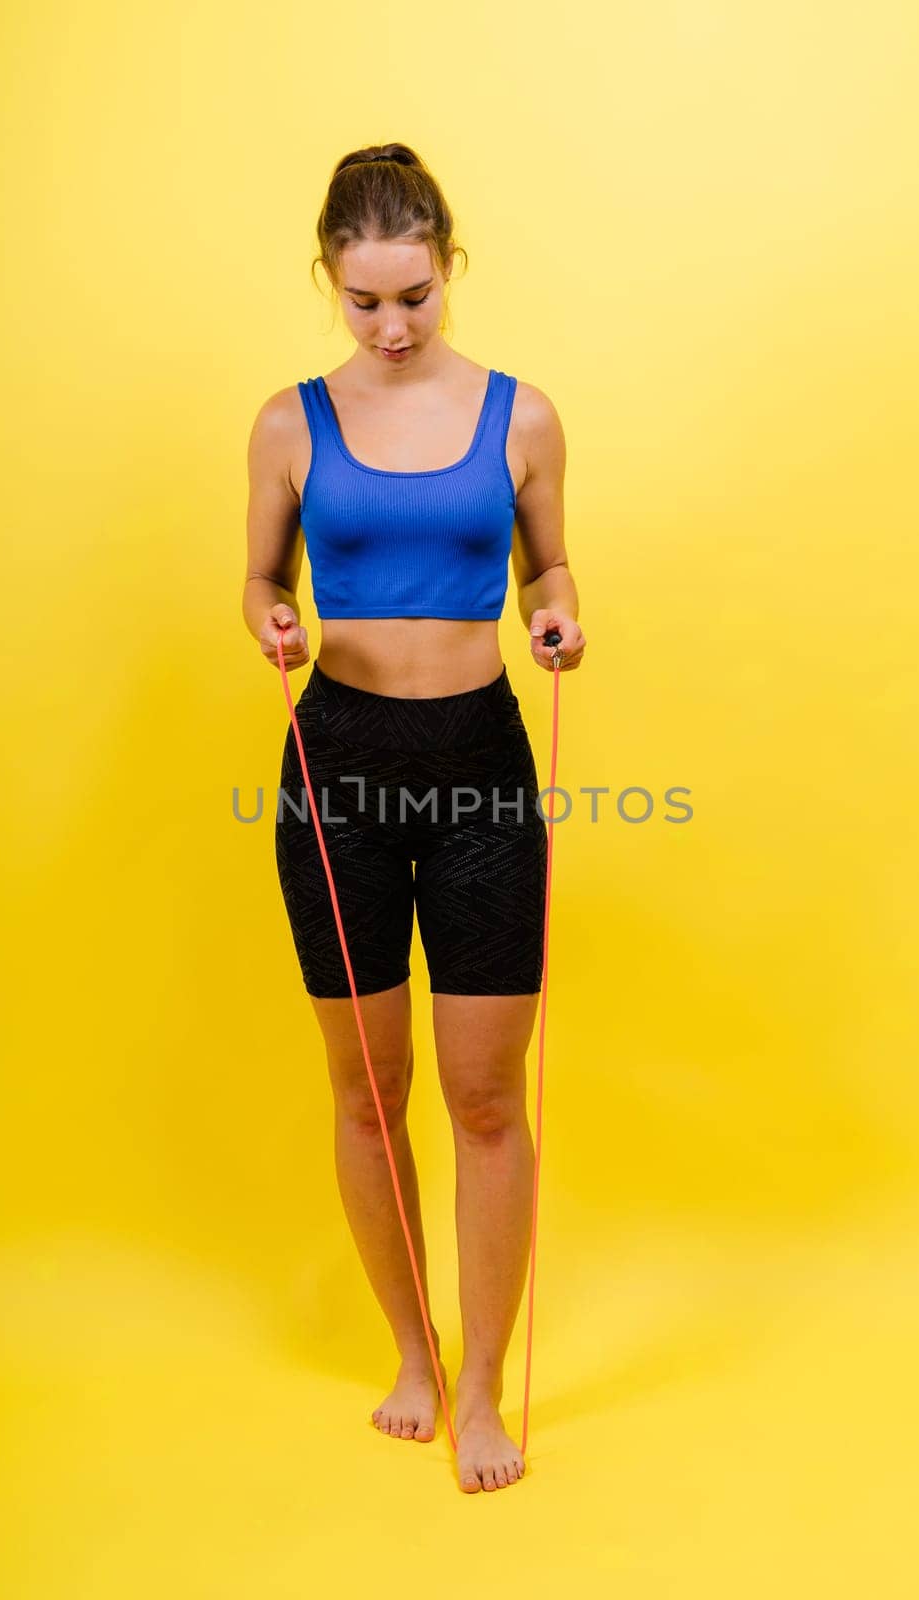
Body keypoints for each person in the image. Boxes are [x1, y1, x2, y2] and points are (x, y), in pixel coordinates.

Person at [242, 142, 586, 1494]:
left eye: (412, 299)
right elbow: (259, 581)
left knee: (484, 1096)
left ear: (450, 271)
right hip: (338, 759)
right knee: (371, 1093)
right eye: (363, 301)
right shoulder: (286, 423)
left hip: (483, 760)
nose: (389, 328)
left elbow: (548, 560)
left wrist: (558, 609)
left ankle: (486, 1387)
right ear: (329, 280)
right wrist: (267, 618)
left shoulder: (525, 416)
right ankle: (414, 1355)